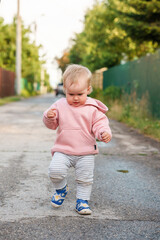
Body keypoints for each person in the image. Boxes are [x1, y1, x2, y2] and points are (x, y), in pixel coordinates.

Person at [43, 64, 112, 215]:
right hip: (63, 149)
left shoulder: (93, 108)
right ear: (65, 90)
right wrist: (49, 117)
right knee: (55, 171)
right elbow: (52, 125)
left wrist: (103, 133)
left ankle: (82, 201)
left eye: (80, 94)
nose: (75, 98)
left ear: (88, 90)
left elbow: (100, 124)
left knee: (85, 179)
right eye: (70, 94)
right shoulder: (59, 105)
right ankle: (61, 189)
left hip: (85, 152)